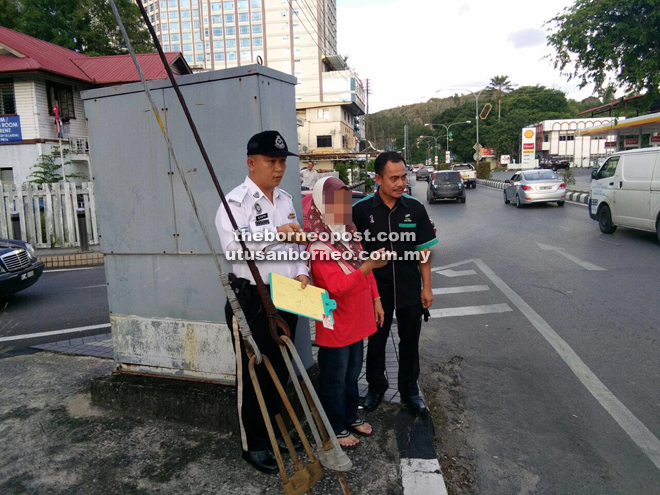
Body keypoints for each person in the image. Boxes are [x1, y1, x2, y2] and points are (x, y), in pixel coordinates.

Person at [216, 130, 310, 474]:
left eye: (283, 161)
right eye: (272, 161)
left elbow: (298, 243)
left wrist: (302, 272)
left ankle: (274, 432)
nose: (279, 168)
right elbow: (234, 249)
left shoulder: (285, 199)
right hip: (252, 298)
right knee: (254, 372)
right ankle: (253, 443)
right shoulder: (234, 203)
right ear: (251, 163)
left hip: (287, 294)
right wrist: (275, 234)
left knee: (280, 368)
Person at [352, 151, 437, 414]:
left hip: (410, 287)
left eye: (403, 177)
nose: (401, 183)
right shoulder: (361, 211)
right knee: (376, 341)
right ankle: (376, 387)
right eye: (394, 178)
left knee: (410, 340)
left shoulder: (414, 208)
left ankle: (410, 390)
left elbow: (423, 251)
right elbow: (353, 256)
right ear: (377, 179)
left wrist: (427, 286)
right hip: (376, 291)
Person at [307, 177, 387, 448]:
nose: (342, 207)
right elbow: (337, 287)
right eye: (335, 202)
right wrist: (368, 268)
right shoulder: (319, 246)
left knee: (353, 373)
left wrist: (376, 299)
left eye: (345, 200)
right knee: (334, 377)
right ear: (321, 204)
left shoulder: (350, 233)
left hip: (358, 317)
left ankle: (351, 416)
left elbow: (366, 270)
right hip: (336, 323)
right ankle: (335, 426)